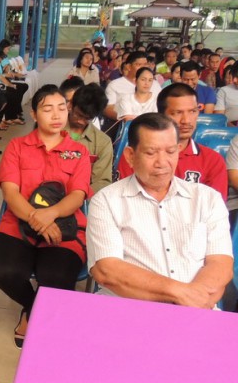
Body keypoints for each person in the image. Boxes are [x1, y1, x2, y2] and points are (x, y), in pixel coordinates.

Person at [87, 113, 233, 307]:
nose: (162, 162)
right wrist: (180, 294)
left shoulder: (208, 198)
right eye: (150, 153)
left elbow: (221, 263)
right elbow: (107, 270)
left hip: (198, 308)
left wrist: (195, 302)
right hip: (130, 309)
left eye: (170, 152)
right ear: (130, 156)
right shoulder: (106, 201)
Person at [0, 84, 92, 349]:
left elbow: (78, 195)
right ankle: (33, 306)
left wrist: (50, 215)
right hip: (18, 224)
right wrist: (38, 219)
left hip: (65, 227)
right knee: (5, 272)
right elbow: (10, 193)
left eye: (62, 108)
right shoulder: (17, 147)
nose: (56, 115)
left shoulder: (79, 152)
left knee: (57, 276)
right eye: (48, 109)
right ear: (34, 114)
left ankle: (34, 313)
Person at [117, 83, 228, 200]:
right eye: (177, 113)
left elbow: (214, 206)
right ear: (161, 115)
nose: (186, 120)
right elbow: (126, 201)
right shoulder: (137, 155)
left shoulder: (212, 160)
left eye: (192, 111)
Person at [66, 83, 113, 194]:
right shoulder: (53, 130)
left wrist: (78, 198)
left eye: (88, 118)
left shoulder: (103, 142)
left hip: (83, 198)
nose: (81, 121)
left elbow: (102, 181)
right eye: (78, 115)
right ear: (71, 105)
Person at [104, 51, 161, 120]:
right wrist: (123, 118)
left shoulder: (155, 84)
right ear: (128, 66)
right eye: (139, 64)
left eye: (145, 64)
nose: (143, 67)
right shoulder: (114, 85)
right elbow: (107, 109)